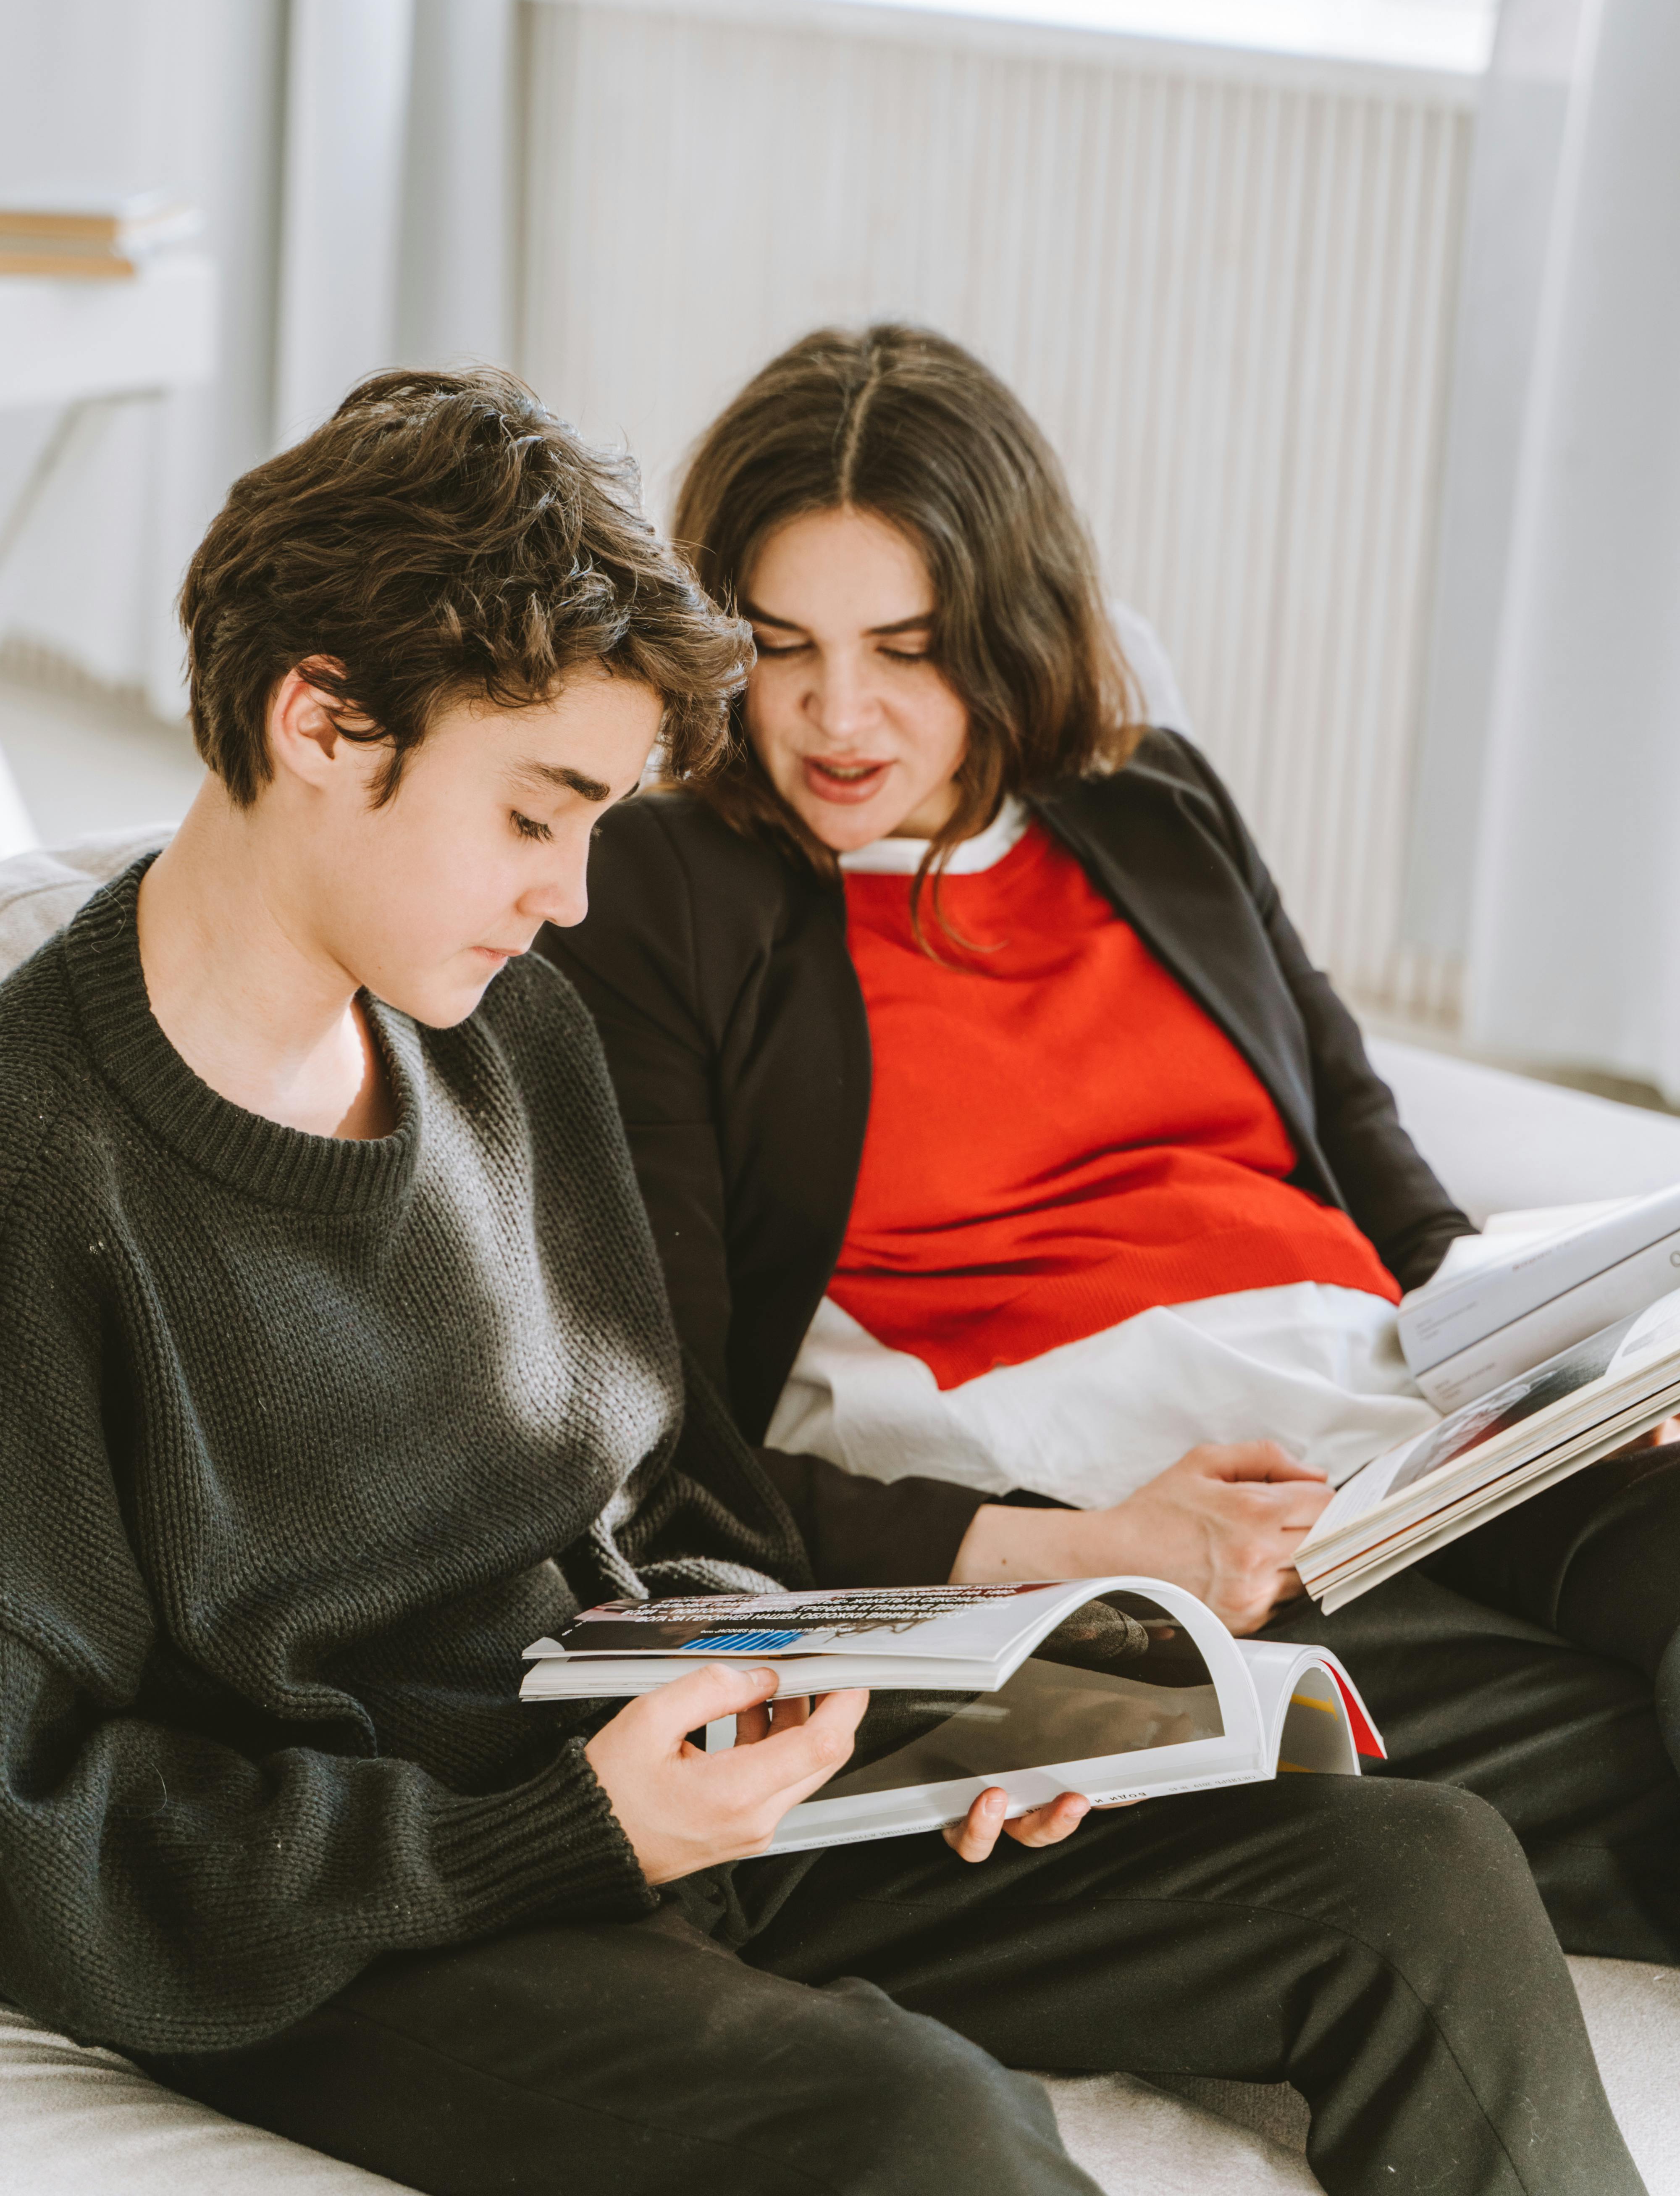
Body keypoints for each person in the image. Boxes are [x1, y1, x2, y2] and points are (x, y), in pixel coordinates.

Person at [0, 364, 1640, 2196]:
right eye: (536, 817)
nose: (571, 898)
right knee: (922, 2133)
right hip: (398, 1918)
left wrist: (971, 1711)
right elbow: (39, 1813)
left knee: (1413, 1879)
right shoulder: (39, 1167)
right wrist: (564, 1831)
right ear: (323, 722)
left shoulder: (506, 1036)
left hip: (675, 1778)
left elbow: (658, 1502)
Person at [542, 322, 1680, 1970]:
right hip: (1184, 1527)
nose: (835, 714)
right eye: (781, 645)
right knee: (1581, 1769)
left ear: (1004, 637)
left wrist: (1580, 1374)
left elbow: (1396, 1198)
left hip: (1417, 1438)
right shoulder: (663, 897)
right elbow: (686, 1450)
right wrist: (1078, 1566)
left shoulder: (1152, 798)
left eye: (906, 649)